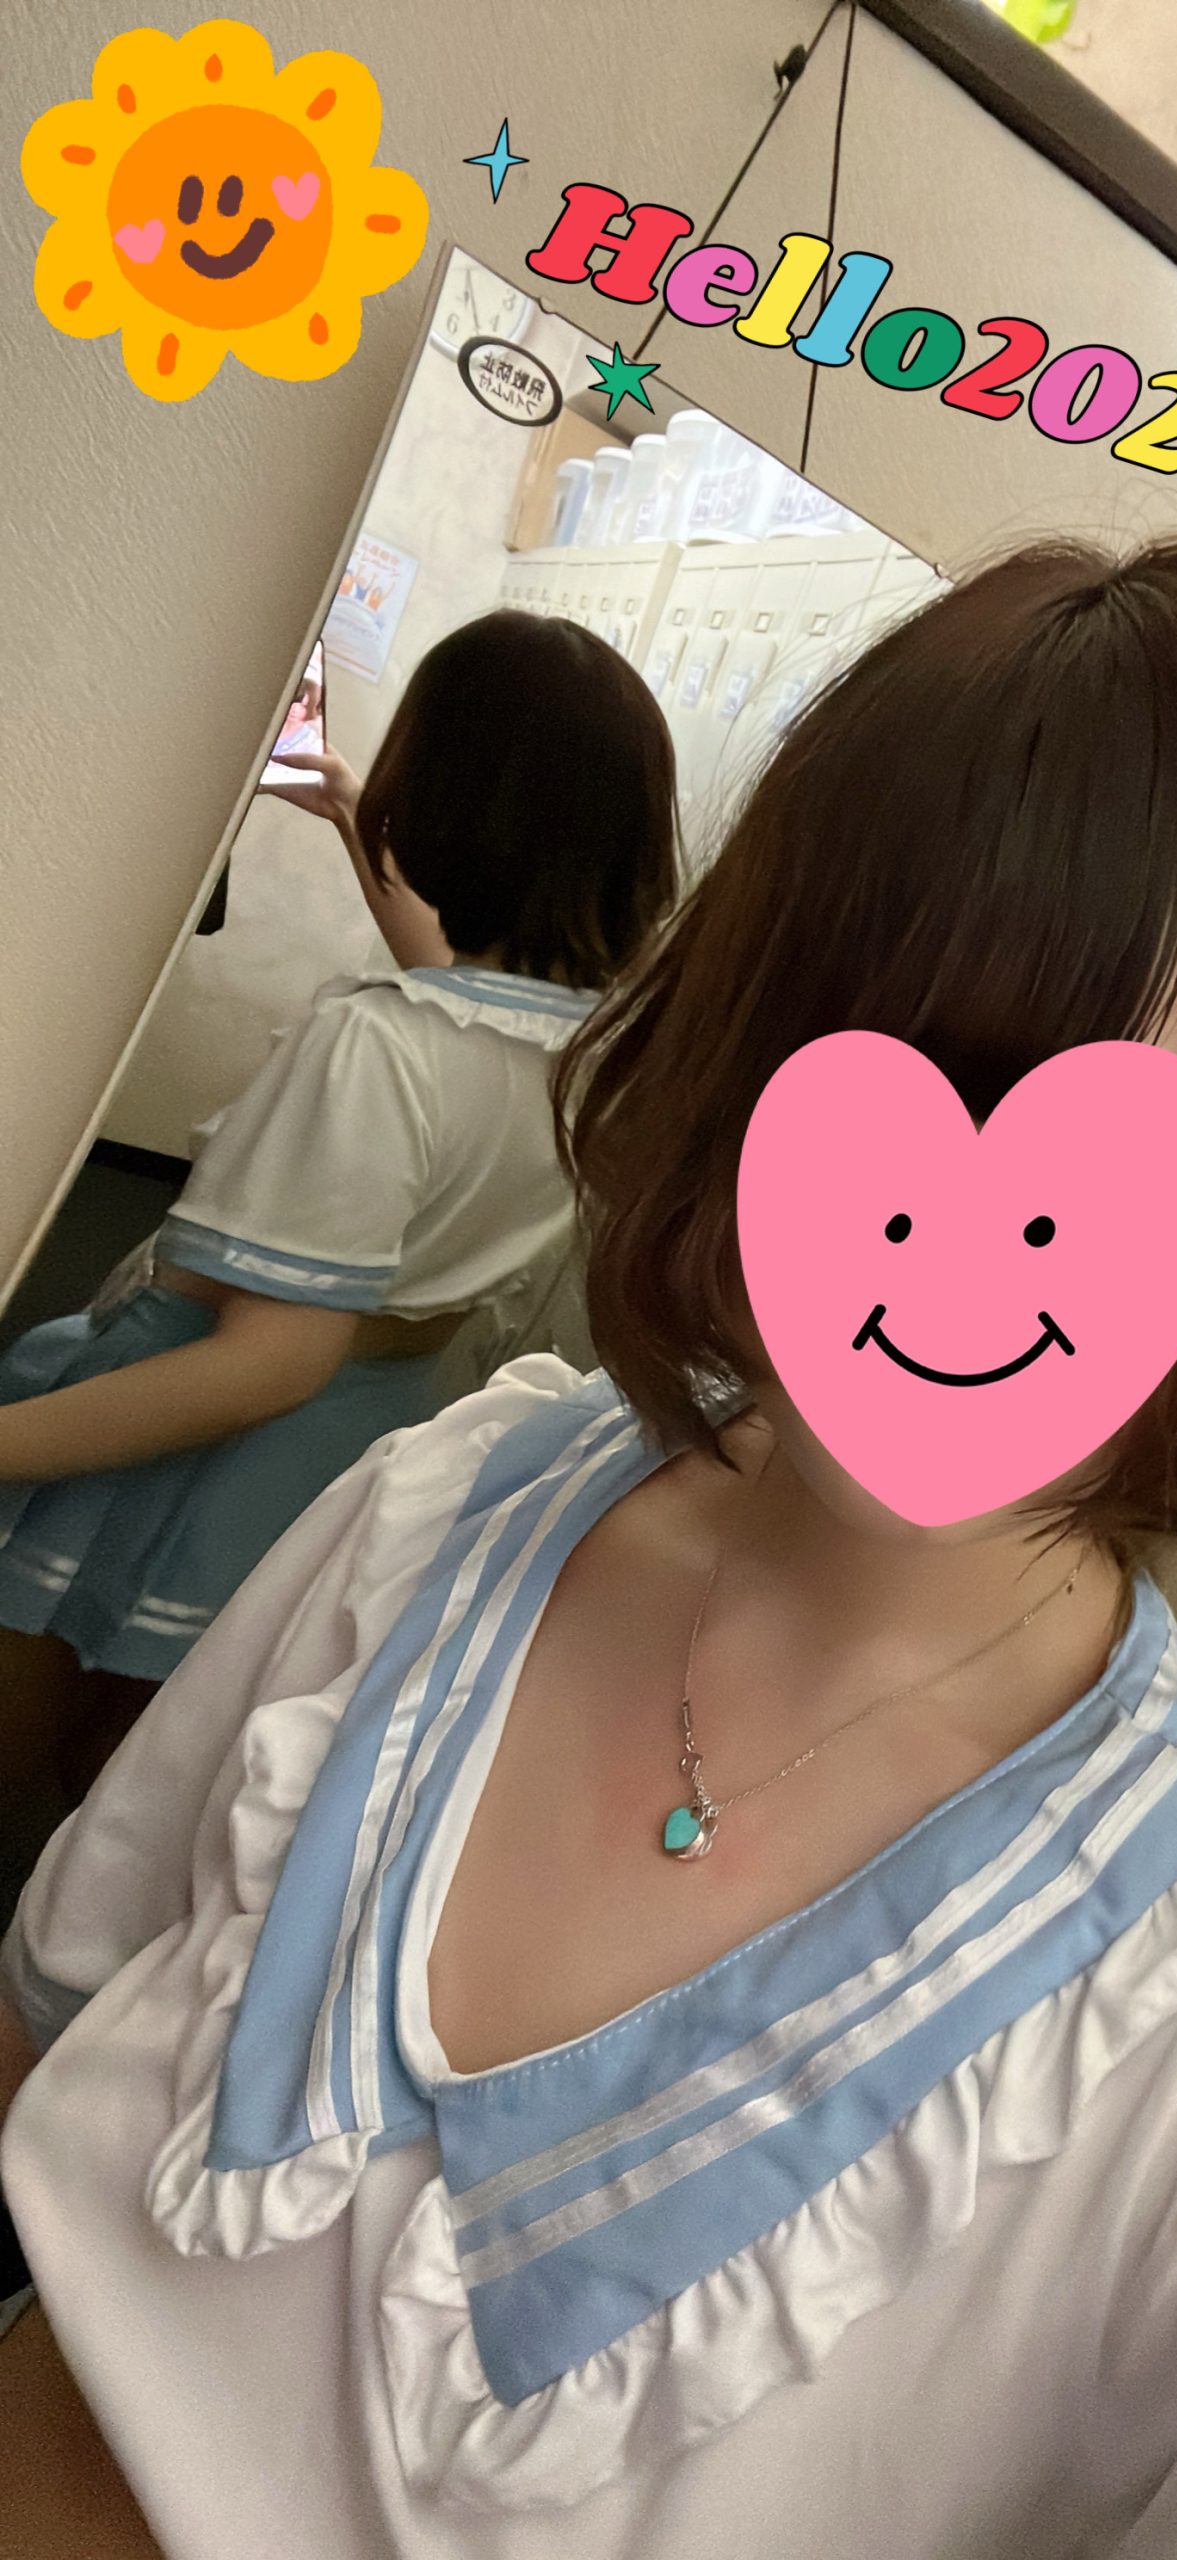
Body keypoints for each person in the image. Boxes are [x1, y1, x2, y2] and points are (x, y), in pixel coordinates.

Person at [1, 538, 1177, 2560]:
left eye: (1102, 1176)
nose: (952, 1252)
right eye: (891, 1085)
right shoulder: (437, 1509)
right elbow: (53, 2027)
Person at [0, 610, 678, 1836]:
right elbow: (458, 993)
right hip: (333, 1460)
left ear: (442, 797)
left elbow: (268, 1362)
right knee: (150, 1768)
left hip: (174, 1449)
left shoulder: (371, 1046)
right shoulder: (591, 1057)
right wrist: (356, 819)